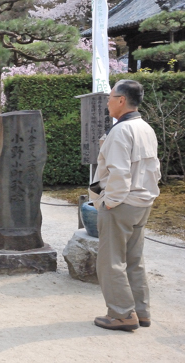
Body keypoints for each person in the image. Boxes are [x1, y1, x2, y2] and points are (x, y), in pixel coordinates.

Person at [88, 79, 161, 331]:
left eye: (110, 97)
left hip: (121, 203)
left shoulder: (120, 131)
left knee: (111, 261)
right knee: (134, 258)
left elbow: (119, 174)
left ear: (121, 100)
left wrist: (109, 202)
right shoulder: (146, 128)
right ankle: (141, 312)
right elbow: (155, 169)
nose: (107, 102)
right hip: (143, 201)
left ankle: (121, 314)